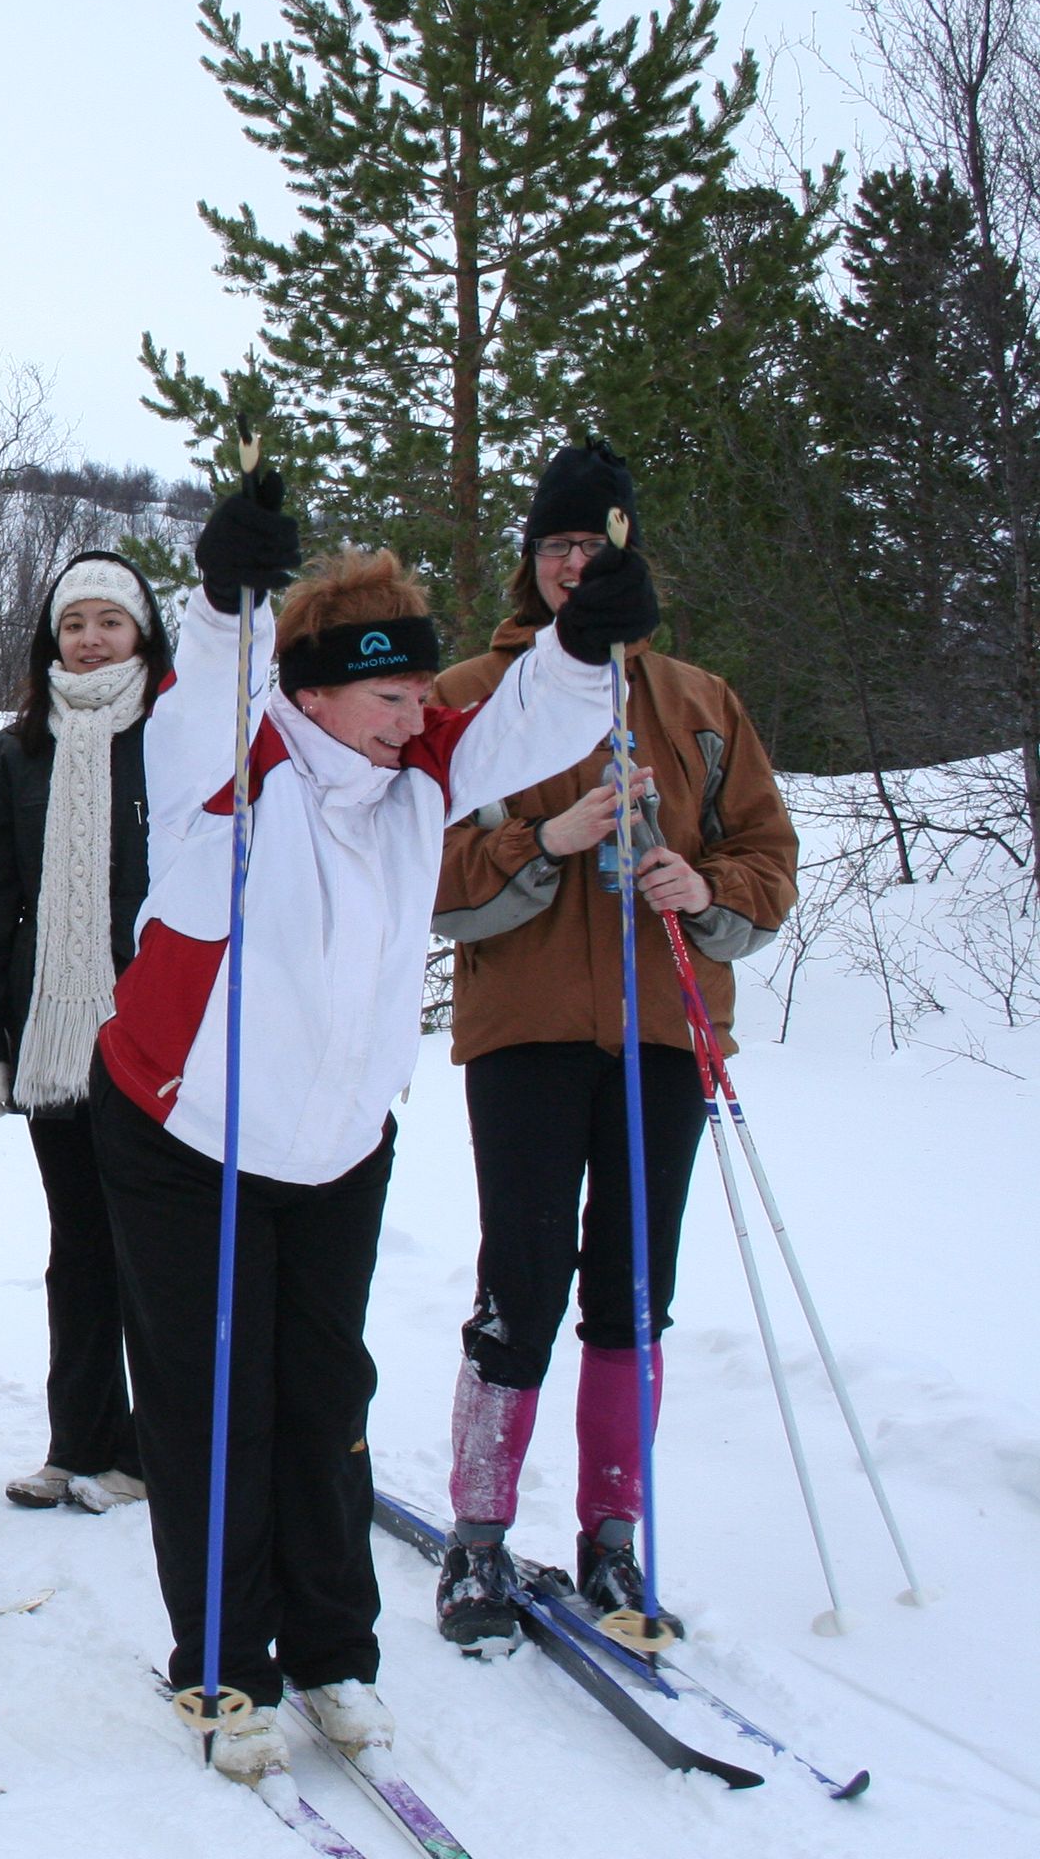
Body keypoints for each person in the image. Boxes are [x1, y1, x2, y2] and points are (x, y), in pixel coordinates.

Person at [91, 469, 657, 1783]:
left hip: (337, 1141)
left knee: (324, 1393)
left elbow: (524, 724)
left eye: (421, 692)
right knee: (217, 1400)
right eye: (392, 694)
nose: (422, 713)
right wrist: (232, 594)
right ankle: (226, 1664)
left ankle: (336, 1652)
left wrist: (584, 639)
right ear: (319, 688)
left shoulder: (423, 770)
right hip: (191, 1136)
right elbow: (218, 688)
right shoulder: (237, 764)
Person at [429, 444, 798, 1646]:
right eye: (555, 550)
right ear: (532, 568)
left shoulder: (696, 700)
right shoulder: (475, 692)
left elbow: (768, 858)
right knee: (521, 1278)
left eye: (593, 547)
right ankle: (478, 1541)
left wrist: (702, 882)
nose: (574, 566)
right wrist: (546, 837)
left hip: (661, 1030)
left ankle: (612, 1535)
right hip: (526, 1026)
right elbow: (423, 871)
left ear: (626, 555)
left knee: (634, 1287)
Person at [0, 550, 167, 1514]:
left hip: (159, 1034)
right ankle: (78, 1444)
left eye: (108, 622)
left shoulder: (178, 741)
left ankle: (157, 1451)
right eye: (73, 623)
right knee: (79, 1244)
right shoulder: (16, 753)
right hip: (53, 1035)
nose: (89, 638)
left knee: (152, 1248)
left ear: (142, 637)